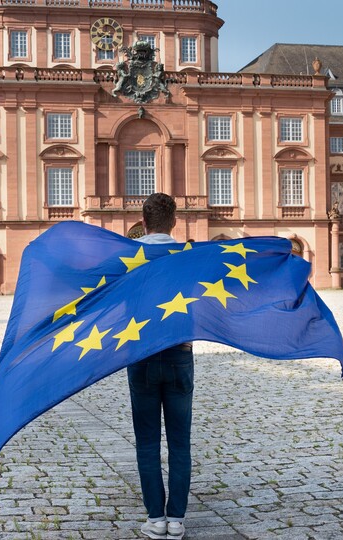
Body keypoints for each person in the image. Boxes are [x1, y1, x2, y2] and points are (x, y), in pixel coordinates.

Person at [127, 192, 193, 540]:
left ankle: (156, 518)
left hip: (141, 357)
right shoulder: (187, 257)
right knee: (180, 443)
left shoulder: (129, 259)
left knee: (147, 442)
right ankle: (177, 520)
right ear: (174, 222)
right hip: (180, 355)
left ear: (144, 219)